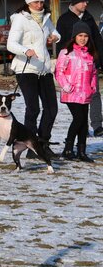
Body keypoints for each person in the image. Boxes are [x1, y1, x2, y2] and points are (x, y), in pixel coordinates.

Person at [7, 0, 60, 159]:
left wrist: (55, 37)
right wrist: (25, 50)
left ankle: (42, 143)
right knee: (33, 108)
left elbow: (55, 33)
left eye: (41, 1)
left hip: (43, 69)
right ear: (29, 2)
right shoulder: (21, 19)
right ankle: (30, 146)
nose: (40, 5)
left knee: (52, 108)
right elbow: (11, 44)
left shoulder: (45, 18)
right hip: (26, 69)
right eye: (36, 2)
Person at [56, 0, 103, 137]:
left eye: (86, 1)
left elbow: (97, 40)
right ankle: (80, 126)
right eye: (83, 1)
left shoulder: (88, 17)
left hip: (90, 62)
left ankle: (97, 125)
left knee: (94, 93)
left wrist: (99, 60)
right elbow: (61, 44)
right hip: (73, 67)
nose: (86, 4)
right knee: (77, 99)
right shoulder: (64, 19)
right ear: (75, 2)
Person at [55, 21, 97, 163]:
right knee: (78, 119)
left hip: (85, 93)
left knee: (84, 122)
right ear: (74, 36)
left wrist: (93, 87)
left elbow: (93, 73)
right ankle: (67, 149)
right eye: (80, 35)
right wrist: (66, 86)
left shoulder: (90, 54)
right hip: (71, 92)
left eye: (86, 36)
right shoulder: (66, 52)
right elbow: (59, 72)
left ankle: (81, 151)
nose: (83, 38)